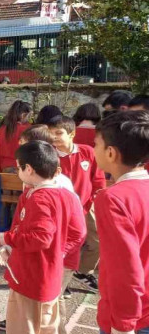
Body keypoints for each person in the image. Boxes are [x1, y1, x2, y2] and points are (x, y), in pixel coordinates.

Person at [0, 141, 86, 334]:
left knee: (22, 329)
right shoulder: (66, 195)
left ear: (28, 168)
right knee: (48, 328)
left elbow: (40, 237)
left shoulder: (40, 198)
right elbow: (78, 232)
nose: (18, 171)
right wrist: (58, 253)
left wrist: (3, 239)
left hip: (30, 277)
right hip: (49, 276)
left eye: (19, 167)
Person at [92, 110, 149, 334]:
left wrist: (124, 328)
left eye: (96, 145)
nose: (94, 150)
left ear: (111, 153)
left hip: (130, 318)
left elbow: (124, 268)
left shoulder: (113, 198)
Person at [48, 116, 105, 293]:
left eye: (59, 133)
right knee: (61, 243)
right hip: (59, 210)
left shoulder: (87, 152)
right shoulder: (49, 155)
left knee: (96, 240)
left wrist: (91, 201)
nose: (54, 138)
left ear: (72, 134)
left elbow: (98, 180)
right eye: (51, 134)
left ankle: (82, 271)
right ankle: (59, 276)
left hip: (86, 206)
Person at [0, 100, 33, 173]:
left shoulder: (3, 128)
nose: (30, 118)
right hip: (23, 168)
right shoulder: (28, 129)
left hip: (5, 167)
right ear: (23, 115)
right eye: (30, 116)